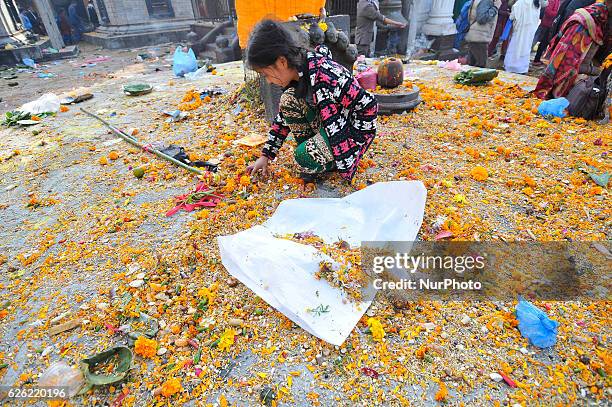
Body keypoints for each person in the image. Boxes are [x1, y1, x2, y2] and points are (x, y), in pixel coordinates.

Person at [245, 20, 378, 182]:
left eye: (266, 74)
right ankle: (320, 155)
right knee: (288, 100)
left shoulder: (328, 76)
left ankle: (334, 161)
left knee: (302, 156)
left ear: (282, 62)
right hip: (329, 127)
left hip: (344, 132)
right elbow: (282, 119)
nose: (269, 81)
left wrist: (353, 146)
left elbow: (368, 104)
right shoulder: (298, 76)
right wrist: (266, 155)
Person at [533, 1, 610, 99]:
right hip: (566, 71)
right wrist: (598, 71)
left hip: (576, 66)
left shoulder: (601, 18)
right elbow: (569, 64)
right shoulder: (586, 23)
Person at [504, 0, 541, 73]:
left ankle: (511, 66)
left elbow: (512, 16)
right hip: (530, 30)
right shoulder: (536, 4)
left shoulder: (521, 2)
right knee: (525, 48)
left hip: (520, 29)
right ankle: (522, 67)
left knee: (515, 46)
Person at [464, 0, 502, 67]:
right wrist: (495, 8)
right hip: (479, 38)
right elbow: (482, 19)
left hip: (476, 36)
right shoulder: (486, 1)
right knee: (481, 67)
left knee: (472, 66)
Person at [533, 0, 561, 64]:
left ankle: (536, 59)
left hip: (550, 25)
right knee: (535, 41)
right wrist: (558, 14)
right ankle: (528, 58)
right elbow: (547, 11)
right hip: (545, 24)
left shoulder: (558, 1)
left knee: (544, 43)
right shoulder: (553, 0)